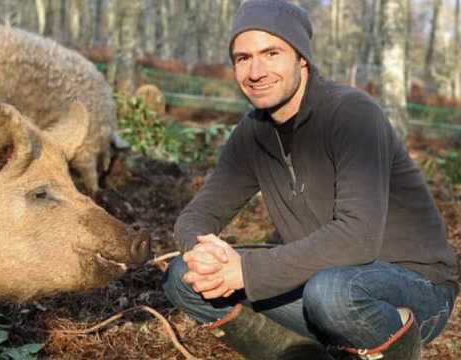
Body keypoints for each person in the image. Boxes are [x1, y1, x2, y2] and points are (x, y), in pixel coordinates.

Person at [162, 0, 460, 359]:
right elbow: (197, 215)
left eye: (271, 53)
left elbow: (358, 238)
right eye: (243, 58)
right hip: (319, 279)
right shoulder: (252, 132)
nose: (255, 70)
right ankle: (304, 354)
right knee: (182, 276)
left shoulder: (352, 115)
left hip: (412, 286)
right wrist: (202, 254)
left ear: (301, 58)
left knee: (333, 293)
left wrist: (246, 271)